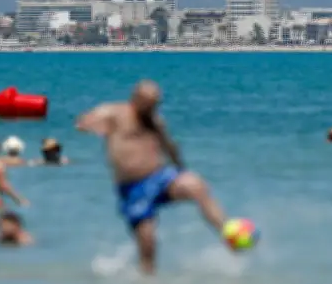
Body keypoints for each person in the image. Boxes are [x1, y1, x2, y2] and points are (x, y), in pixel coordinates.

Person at [75, 80, 231, 275]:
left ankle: (228, 231)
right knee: (147, 241)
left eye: (155, 104)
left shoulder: (155, 121)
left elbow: (169, 146)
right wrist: (93, 126)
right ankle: (147, 276)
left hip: (160, 177)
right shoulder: (114, 113)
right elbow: (82, 122)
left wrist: (181, 168)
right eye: (148, 104)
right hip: (133, 187)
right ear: (136, 99)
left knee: (195, 184)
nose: (151, 108)